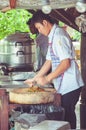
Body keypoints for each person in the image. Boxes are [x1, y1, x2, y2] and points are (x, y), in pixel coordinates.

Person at [24, 10, 84, 129]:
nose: (39, 31)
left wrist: (47, 78)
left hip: (71, 85)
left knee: (67, 116)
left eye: (39, 28)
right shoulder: (53, 35)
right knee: (64, 116)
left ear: (45, 22)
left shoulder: (59, 36)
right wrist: (35, 79)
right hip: (64, 85)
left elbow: (65, 63)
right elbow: (49, 61)